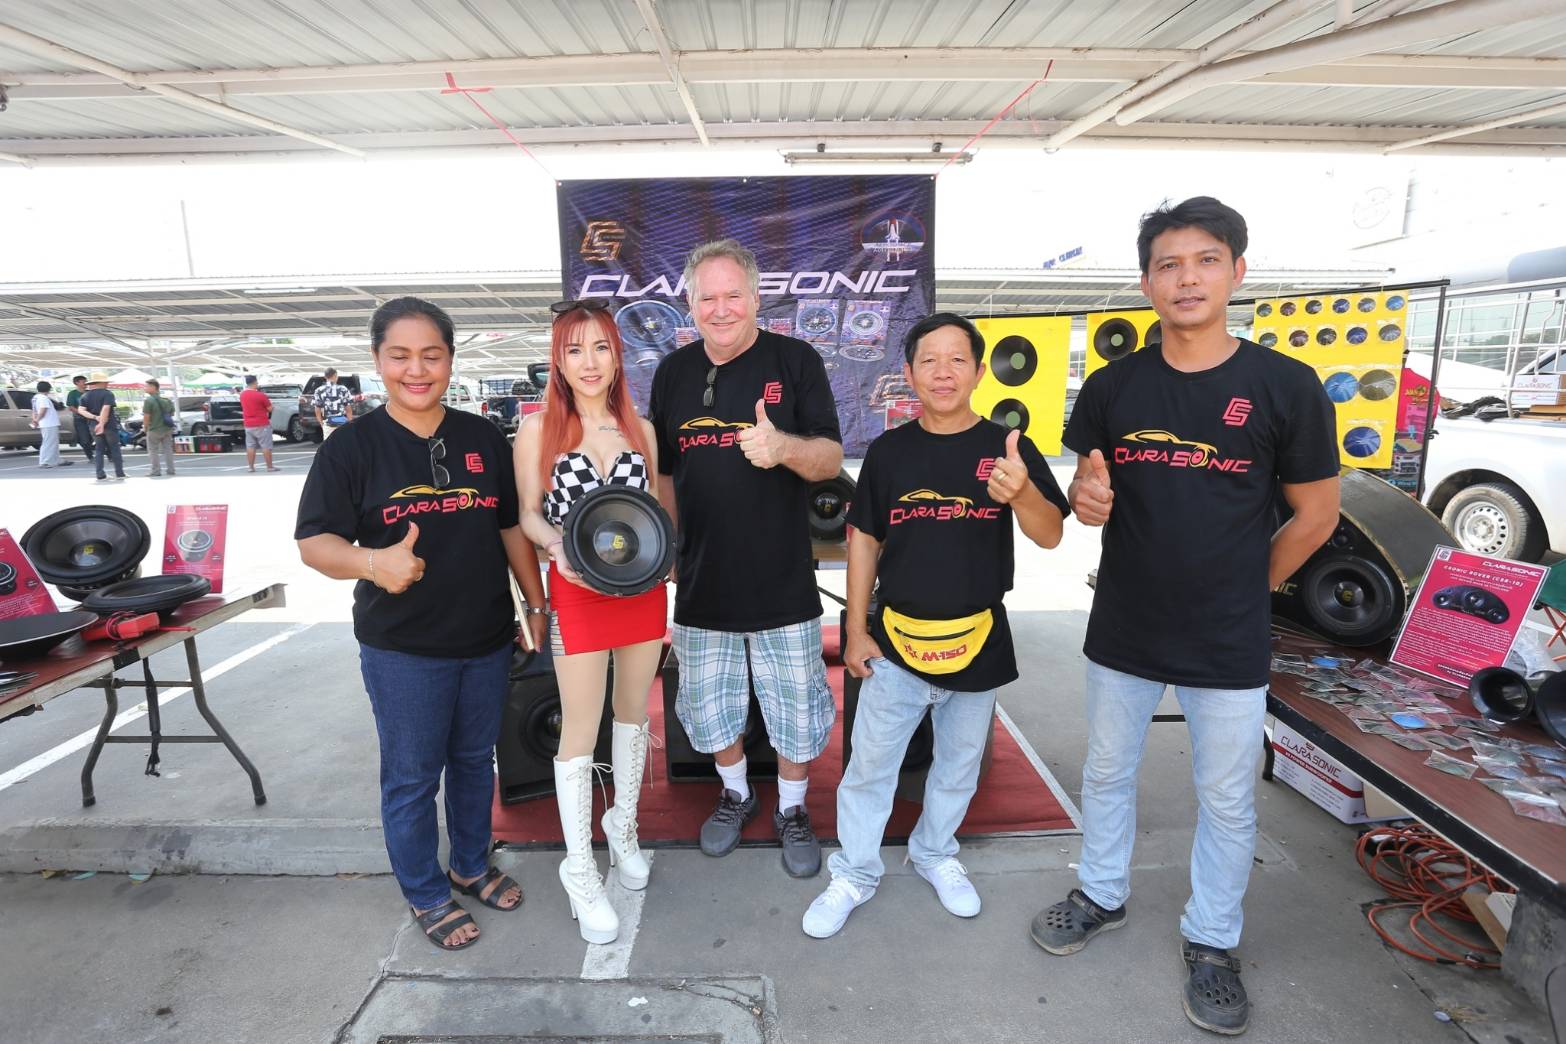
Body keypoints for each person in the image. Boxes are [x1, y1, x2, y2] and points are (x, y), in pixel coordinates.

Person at [1031, 197, 1341, 1036]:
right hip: (1124, 624)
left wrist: (1244, 585)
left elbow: (1316, 514)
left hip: (1227, 636)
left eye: (1206, 260)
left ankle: (1212, 939)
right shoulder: (1114, 385)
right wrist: (1087, 500)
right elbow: (1088, 489)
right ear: (1146, 283)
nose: (1187, 278)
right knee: (1106, 773)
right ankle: (1101, 893)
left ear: (1237, 271)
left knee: (1228, 798)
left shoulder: (1284, 385)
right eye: (1168, 264)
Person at [803, 314, 1069, 940]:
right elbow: (864, 539)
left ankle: (935, 853)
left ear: (978, 371)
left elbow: (1051, 534)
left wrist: (1022, 493)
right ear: (908, 373)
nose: (943, 372)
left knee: (959, 765)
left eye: (957, 360)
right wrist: (857, 629)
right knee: (870, 767)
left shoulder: (1008, 447)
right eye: (929, 360)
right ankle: (855, 873)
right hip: (896, 641)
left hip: (979, 639)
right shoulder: (890, 452)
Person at [296, 297, 549, 952]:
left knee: (474, 762)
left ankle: (468, 864)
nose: (417, 370)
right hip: (403, 649)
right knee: (412, 776)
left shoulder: (482, 437)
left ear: (450, 361)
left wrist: (535, 602)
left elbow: (509, 528)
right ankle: (425, 891)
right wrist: (373, 562)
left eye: (431, 355)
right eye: (400, 356)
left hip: (486, 638)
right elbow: (314, 544)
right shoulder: (351, 448)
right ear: (377, 360)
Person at [648, 239, 844, 877]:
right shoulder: (673, 374)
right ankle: (736, 793)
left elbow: (830, 459)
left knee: (797, 707)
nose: (721, 308)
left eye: (734, 295)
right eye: (708, 297)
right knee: (708, 707)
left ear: (757, 298)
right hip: (702, 582)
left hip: (782, 582)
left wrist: (782, 446)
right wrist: (667, 545)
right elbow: (665, 473)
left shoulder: (795, 360)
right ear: (690, 304)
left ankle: (792, 807)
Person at [514, 299, 668, 945]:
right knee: (579, 729)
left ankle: (622, 826)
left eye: (600, 347)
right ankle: (578, 869)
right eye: (574, 349)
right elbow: (527, 512)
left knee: (634, 716)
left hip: (641, 593)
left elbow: (653, 513)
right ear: (558, 360)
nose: (589, 362)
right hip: (576, 594)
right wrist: (556, 546)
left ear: (617, 355)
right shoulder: (537, 429)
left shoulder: (642, 429)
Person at [77, 372, 125, 482]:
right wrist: (102, 424)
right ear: (101, 383)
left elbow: (81, 410)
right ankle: (119, 473)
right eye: (106, 382)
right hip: (109, 425)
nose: (107, 384)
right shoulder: (107, 394)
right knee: (114, 448)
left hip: (93, 425)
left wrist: (95, 417)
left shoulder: (85, 395)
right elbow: (106, 408)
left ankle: (100, 474)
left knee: (99, 449)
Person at [240, 375, 279, 472]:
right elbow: (270, 409)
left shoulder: (242, 395)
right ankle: (269, 467)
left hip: (248, 424)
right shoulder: (261, 395)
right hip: (262, 423)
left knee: (250, 446)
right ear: (255, 382)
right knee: (266, 446)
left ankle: (251, 467)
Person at [30, 381, 70, 469]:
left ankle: (56, 460)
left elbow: (34, 410)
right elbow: (43, 410)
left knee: (52, 442)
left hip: (45, 423)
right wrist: (37, 420)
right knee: (49, 443)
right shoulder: (43, 398)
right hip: (49, 423)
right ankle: (45, 462)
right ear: (48, 389)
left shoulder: (35, 397)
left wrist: (35, 420)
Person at [142, 378, 177, 478]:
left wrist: (145, 427)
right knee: (168, 449)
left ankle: (156, 470)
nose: (145, 388)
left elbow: (146, 416)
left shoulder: (149, 400)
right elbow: (172, 413)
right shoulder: (167, 400)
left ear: (153, 387)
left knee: (153, 450)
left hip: (154, 429)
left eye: (146, 386)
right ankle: (171, 469)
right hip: (167, 428)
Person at [313, 367, 353, 437]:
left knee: (329, 443)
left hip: (328, 423)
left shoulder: (319, 390)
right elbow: (348, 409)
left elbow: (317, 410)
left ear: (325, 377)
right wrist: (350, 423)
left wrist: (322, 423)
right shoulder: (343, 389)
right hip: (342, 423)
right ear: (335, 375)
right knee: (343, 442)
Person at [66, 375, 93, 461]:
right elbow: (71, 407)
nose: (86, 383)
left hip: (92, 418)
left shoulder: (90, 392)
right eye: (83, 381)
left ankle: (109, 455)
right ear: (77, 383)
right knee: (84, 439)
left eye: (86, 381)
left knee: (95, 437)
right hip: (80, 419)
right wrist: (82, 413)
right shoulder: (72, 394)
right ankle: (90, 457)